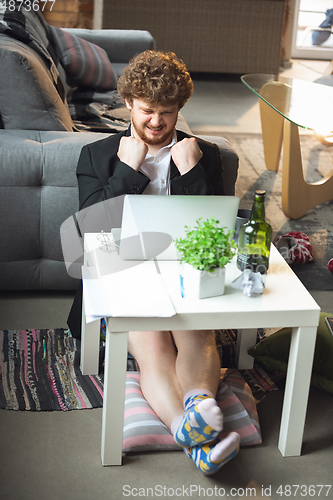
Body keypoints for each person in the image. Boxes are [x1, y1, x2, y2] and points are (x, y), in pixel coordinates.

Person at [68, 50, 240, 475]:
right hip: (123, 271)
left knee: (198, 335)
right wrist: (129, 169)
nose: (157, 122)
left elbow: (214, 232)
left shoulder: (204, 155)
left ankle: (196, 412)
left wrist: (192, 174)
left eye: (167, 112)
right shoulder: (98, 155)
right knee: (153, 343)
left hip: (186, 271)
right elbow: (90, 232)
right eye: (147, 111)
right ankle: (191, 430)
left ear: (180, 109)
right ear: (129, 103)